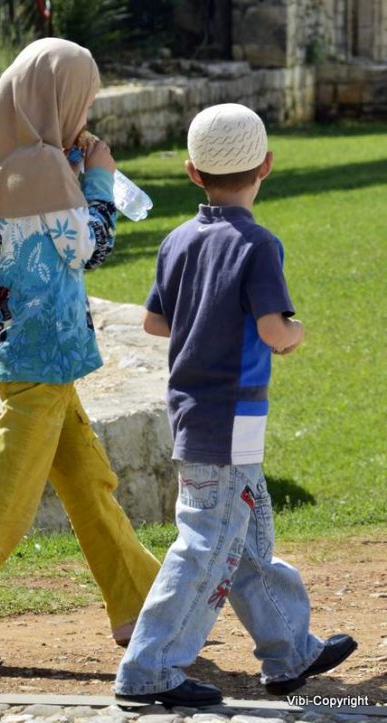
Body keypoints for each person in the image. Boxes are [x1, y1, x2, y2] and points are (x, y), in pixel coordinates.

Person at [0, 37, 160, 667]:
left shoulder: (9, 162)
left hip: (24, 353)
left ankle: (144, 604)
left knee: (87, 479)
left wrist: (75, 174)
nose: (86, 113)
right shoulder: (47, 168)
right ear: (57, 97)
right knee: (9, 494)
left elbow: (39, 246)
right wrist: (100, 178)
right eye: (84, 100)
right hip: (43, 356)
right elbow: (91, 246)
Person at [114, 103, 357, 707]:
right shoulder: (257, 244)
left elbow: (153, 322)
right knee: (207, 543)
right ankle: (148, 669)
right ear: (266, 166)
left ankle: (290, 651)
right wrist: (295, 334)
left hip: (194, 412)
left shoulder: (177, 240)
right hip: (232, 418)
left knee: (244, 538)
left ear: (193, 173)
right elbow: (275, 331)